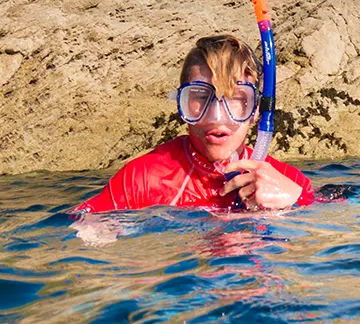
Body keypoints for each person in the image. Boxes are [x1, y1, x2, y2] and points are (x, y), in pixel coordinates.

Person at [75, 35, 314, 213]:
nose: (216, 117)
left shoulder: (290, 182)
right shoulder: (143, 180)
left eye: (235, 99)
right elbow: (80, 234)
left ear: (256, 111)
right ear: (181, 104)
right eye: (200, 97)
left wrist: (298, 202)